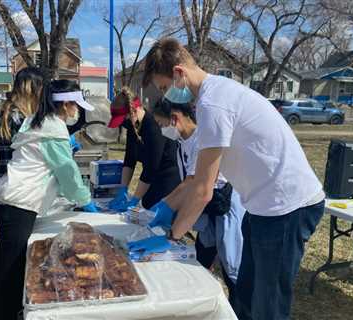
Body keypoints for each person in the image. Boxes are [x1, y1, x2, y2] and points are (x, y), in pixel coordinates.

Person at [142, 38, 325, 320]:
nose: (166, 96)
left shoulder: (215, 103)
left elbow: (203, 191)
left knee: (269, 304)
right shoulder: (212, 97)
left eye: (165, 87)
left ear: (179, 73)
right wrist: (166, 210)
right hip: (260, 206)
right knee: (246, 293)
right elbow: (196, 180)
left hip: (287, 206)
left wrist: (173, 238)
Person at [0, 80, 100, 320]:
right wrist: (84, 200)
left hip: (10, 199)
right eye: (76, 106)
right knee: (11, 271)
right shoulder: (54, 128)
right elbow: (67, 174)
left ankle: (5, 307)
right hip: (19, 203)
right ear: (66, 104)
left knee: (6, 262)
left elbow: (48, 165)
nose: (77, 112)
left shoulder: (41, 121)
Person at [151, 98, 244, 307]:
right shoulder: (181, 143)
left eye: (161, 124)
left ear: (174, 119)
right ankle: (202, 305)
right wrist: (165, 205)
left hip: (225, 205)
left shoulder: (202, 139)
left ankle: (239, 309)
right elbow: (186, 182)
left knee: (232, 263)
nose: (160, 129)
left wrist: (169, 211)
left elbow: (194, 184)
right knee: (203, 255)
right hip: (208, 208)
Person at [107, 87, 181, 210]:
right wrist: (123, 189)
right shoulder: (133, 125)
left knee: (154, 211)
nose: (123, 124)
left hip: (168, 178)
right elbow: (129, 159)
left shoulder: (153, 127)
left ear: (134, 111)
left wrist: (135, 200)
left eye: (123, 119)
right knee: (146, 205)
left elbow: (151, 169)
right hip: (151, 178)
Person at [0, 67, 43, 200]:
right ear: (33, 88)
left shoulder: (10, 111)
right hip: (16, 188)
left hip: (4, 184)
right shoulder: (19, 117)